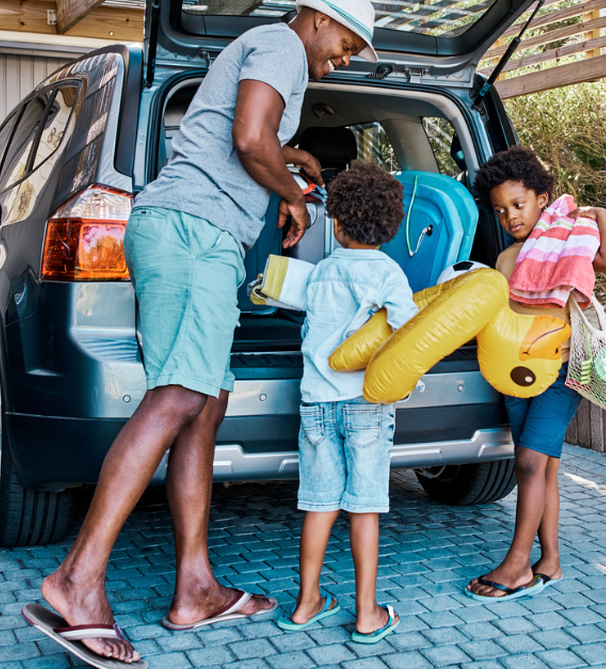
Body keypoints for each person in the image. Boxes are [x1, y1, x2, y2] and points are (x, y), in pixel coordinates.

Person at [28, 1, 381, 665]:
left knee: (203, 405)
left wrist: (291, 156)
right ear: (317, 14)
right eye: (348, 41)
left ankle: (195, 587)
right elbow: (249, 138)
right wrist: (297, 196)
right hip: (196, 234)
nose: (347, 56)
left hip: (194, 236)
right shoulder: (280, 42)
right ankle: (78, 578)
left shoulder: (274, 50)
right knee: (178, 397)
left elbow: (251, 137)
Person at [465, 146, 606, 601]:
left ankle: (516, 565)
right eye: (500, 210)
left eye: (518, 204)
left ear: (541, 198)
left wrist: (602, 214)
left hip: (561, 369)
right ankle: (549, 562)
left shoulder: (568, 241)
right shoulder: (506, 259)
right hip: (516, 373)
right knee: (543, 467)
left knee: (530, 463)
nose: (510, 216)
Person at [275, 162, 417, 643]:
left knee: (318, 505)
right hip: (365, 407)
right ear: (392, 226)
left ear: (334, 224)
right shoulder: (390, 274)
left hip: (316, 403)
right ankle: (366, 612)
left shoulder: (321, 272)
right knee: (364, 508)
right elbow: (410, 332)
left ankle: (306, 602)